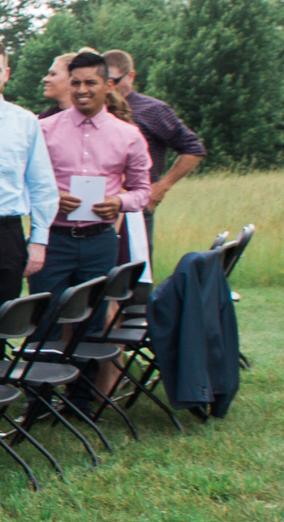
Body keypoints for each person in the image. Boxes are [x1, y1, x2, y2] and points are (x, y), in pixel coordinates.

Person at [36, 50, 151, 336]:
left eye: (90, 83)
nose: (82, 90)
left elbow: (143, 191)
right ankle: (40, 380)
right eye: (75, 83)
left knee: (93, 325)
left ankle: (82, 381)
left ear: (108, 86)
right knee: (44, 321)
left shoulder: (129, 135)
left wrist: (119, 202)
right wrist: (53, 196)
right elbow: (26, 185)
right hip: (53, 240)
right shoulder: (44, 130)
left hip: (99, 241)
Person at [0, 40, 59, 361]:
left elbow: (42, 184)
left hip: (6, 234)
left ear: (7, 73)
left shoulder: (25, 121)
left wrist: (39, 241)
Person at [104, 49, 205, 226]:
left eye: (114, 81)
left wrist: (163, 186)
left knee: (135, 254)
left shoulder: (153, 110)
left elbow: (193, 148)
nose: (108, 87)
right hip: (101, 206)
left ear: (131, 76)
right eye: (103, 81)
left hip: (137, 206)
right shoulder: (95, 111)